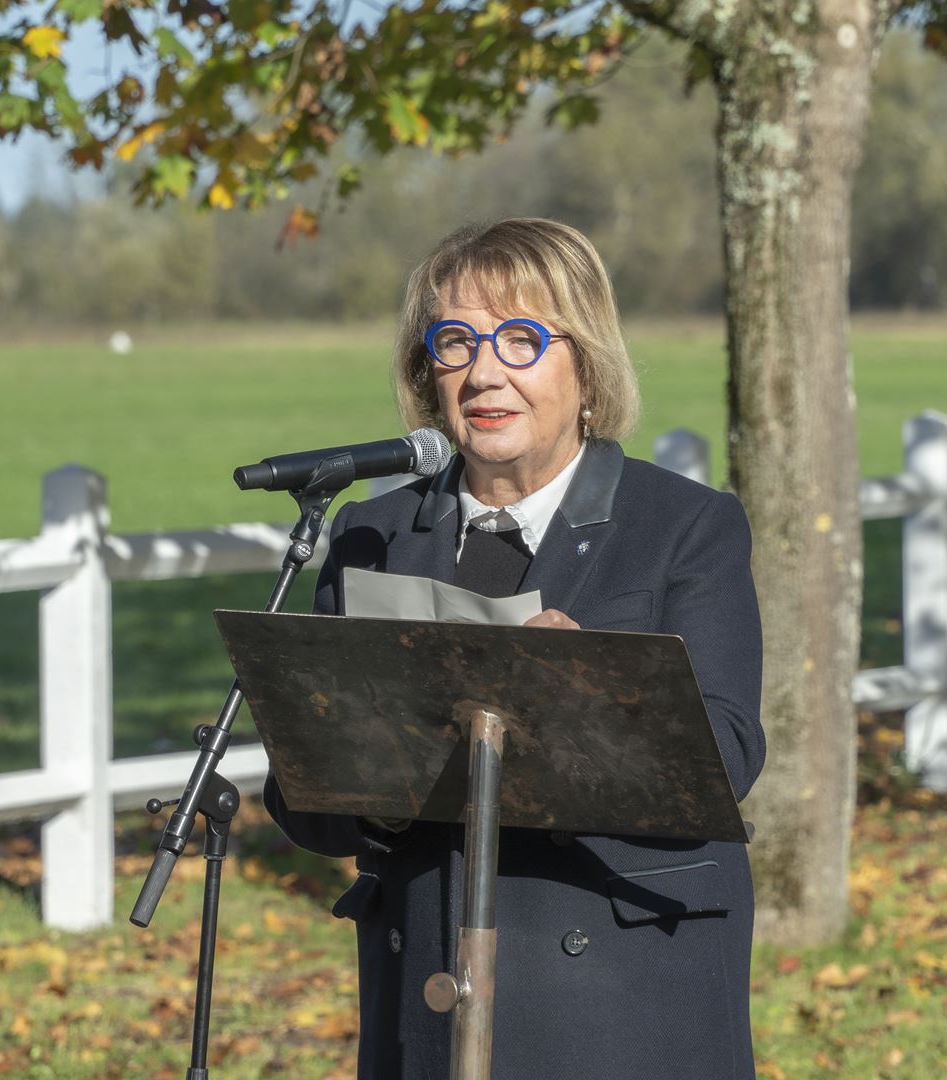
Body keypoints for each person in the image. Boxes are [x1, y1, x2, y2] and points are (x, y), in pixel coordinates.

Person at [263, 218, 765, 1079]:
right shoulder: (369, 535)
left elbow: (727, 757)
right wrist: (380, 777)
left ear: (587, 365)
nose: (484, 372)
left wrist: (594, 694)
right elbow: (300, 798)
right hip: (427, 979)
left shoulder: (682, 527)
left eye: (521, 339)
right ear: (428, 370)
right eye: (454, 341)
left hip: (620, 989)